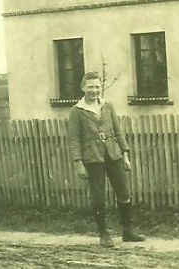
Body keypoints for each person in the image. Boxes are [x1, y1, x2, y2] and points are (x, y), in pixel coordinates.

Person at [68, 71, 146, 247]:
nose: (94, 90)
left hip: (113, 154)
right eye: (90, 87)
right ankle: (103, 233)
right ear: (83, 88)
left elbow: (118, 131)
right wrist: (78, 163)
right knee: (98, 195)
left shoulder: (107, 106)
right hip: (92, 158)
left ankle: (127, 231)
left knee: (124, 192)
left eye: (96, 87)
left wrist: (125, 154)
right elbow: (74, 139)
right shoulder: (77, 111)